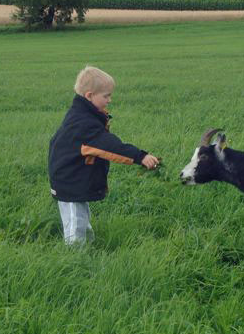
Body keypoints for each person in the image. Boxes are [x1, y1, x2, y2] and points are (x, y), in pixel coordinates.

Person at [48, 66, 160, 245]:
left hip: (72, 177)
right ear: (89, 95)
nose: (110, 100)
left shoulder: (82, 114)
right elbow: (111, 147)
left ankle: (87, 245)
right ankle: (75, 256)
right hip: (68, 179)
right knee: (75, 220)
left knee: (80, 215)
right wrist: (140, 157)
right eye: (106, 96)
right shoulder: (84, 124)